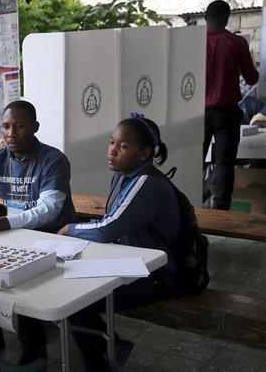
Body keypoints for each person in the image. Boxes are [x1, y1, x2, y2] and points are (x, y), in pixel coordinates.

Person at [57, 113, 181, 371]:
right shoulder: (124, 175)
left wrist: (71, 228)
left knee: (76, 302)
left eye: (123, 146)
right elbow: (111, 221)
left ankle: (102, 360)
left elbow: (107, 230)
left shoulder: (146, 182)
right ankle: (110, 347)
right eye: (111, 142)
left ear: (145, 153)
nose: (112, 151)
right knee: (70, 292)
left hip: (156, 275)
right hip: (130, 264)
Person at [0, 100, 76, 366]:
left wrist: (4, 224)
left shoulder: (53, 159)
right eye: (6, 126)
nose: (11, 133)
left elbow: (50, 209)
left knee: (26, 287)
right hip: (17, 235)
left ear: (34, 127)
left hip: (55, 238)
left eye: (19, 126)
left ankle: (34, 353)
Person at [203, 0, 259, 210]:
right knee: (224, 164)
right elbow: (252, 78)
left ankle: (186, 205)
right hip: (226, 114)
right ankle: (221, 212)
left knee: (193, 161)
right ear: (227, 18)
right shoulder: (236, 42)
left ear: (206, 17)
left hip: (197, 114)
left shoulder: (194, 42)